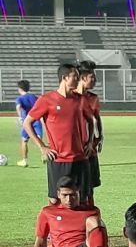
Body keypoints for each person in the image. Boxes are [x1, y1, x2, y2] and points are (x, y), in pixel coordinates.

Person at [24, 63, 90, 203]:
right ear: (64, 78)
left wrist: (90, 143)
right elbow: (27, 123)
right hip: (59, 159)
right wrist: (42, 147)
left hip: (80, 158)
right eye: (75, 77)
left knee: (83, 198)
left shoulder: (80, 99)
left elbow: (90, 121)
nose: (78, 80)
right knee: (55, 200)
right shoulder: (47, 100)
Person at [29, 177, 108, 247]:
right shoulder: (48, 212)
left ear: (79, 193)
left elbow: (99, 236)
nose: (69, 199)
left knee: (94, 221)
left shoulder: (92, 211)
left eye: (73, 195)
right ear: (58, 194)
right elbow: (40, 242)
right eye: (65, 195)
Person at [76, 60, 103, 204]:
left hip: (89, 149)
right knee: (73, 186)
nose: (95, 80)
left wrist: (100, 137)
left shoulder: (93, 98)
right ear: (82, 77)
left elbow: (96, 118)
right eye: (92, 77)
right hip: (74, 149)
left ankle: (90, 213)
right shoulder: (71, 98)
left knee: (90, 186)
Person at [15, 79, 42, 168]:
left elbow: (18, 107)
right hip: (37, 120)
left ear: (19, 88)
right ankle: (44, 155)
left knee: (24, 140)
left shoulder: (20, 98)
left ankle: (24, 160)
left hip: (27, 122)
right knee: (38, 139)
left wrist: (20, 118)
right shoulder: (33, 96)